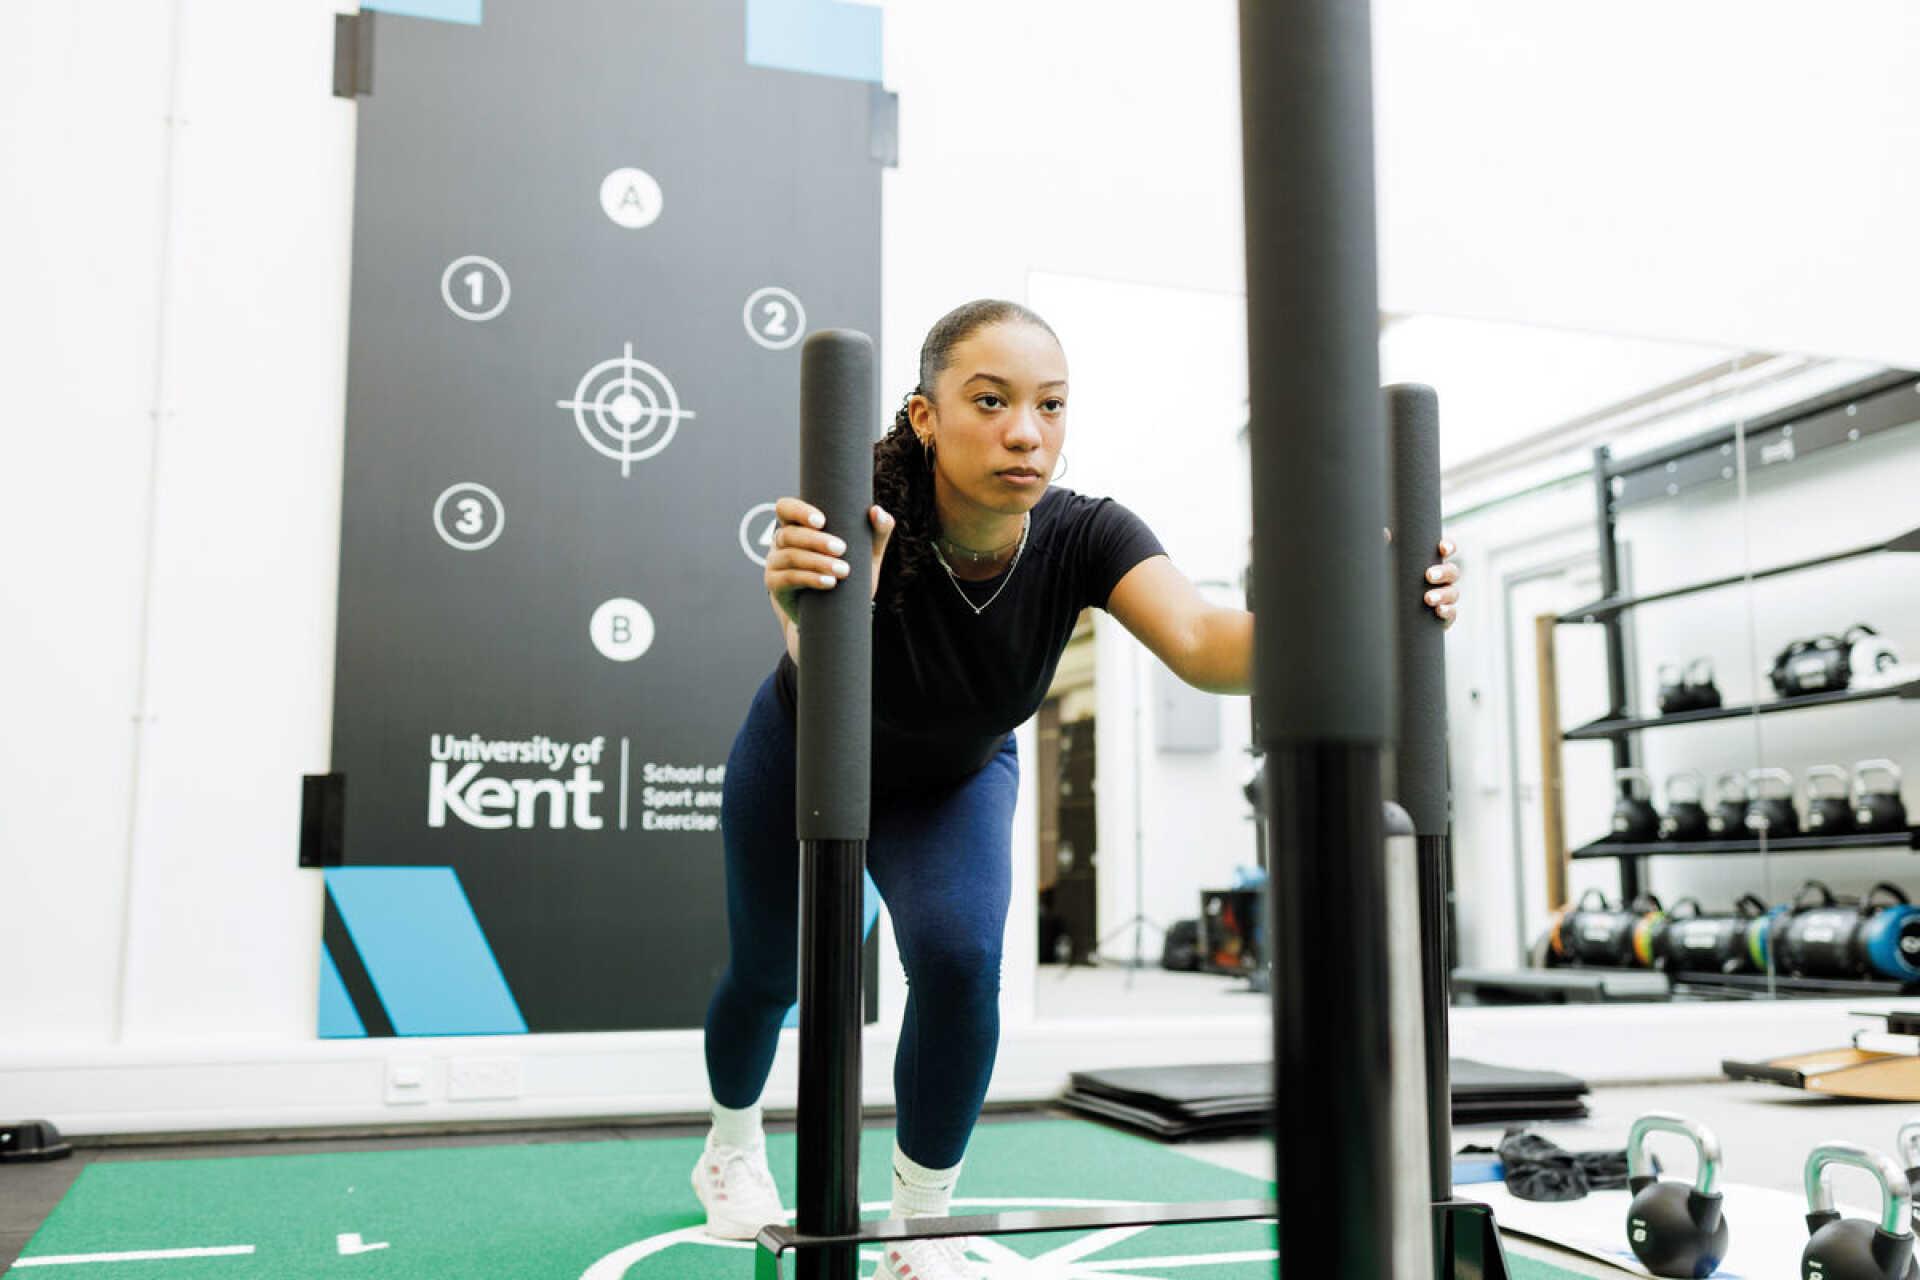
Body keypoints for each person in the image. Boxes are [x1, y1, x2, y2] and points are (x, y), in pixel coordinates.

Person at [691, 299, 1461, 1280]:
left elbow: (1207, 645)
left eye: (1050, 404)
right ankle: (728, 1144)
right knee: (773, 975)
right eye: (991, 399)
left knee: (964, 960)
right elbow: (815, 653)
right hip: (810, 748)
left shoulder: (1088, 534)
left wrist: (1364, 605)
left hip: (957, 775)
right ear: (926, 415)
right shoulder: (866, 510)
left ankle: (921, 1229)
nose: (1026, 430)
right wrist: (804, 600)